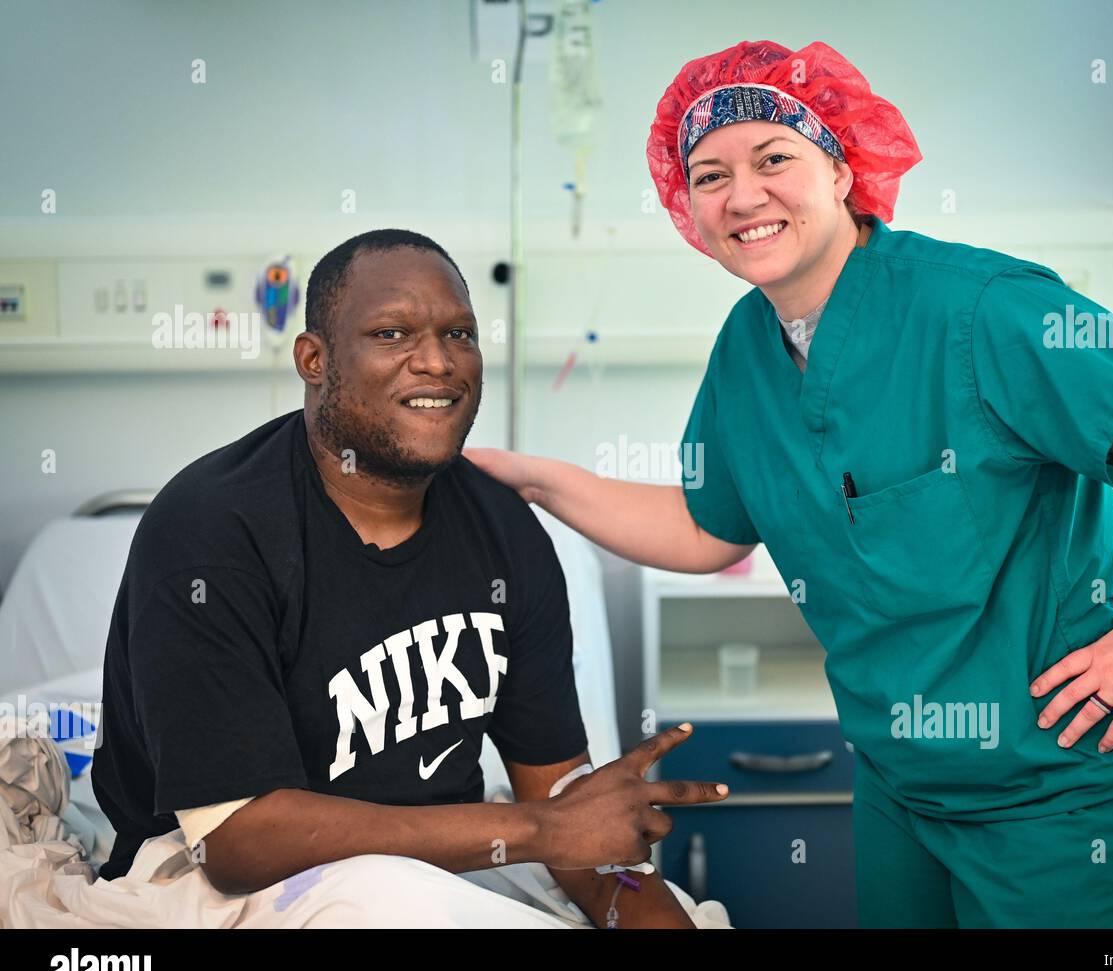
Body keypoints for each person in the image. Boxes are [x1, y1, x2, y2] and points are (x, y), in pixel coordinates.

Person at [464, 40, 1113, 928]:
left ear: (842, 168)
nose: (742, 196)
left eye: (774, 159)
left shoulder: (979, 307)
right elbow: (707, 527)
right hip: (905, 788)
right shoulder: (748, 346)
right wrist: (535, 479)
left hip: (1073, 793)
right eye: (709, 175)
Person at [91, 228, 729, 928]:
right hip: (205, 875)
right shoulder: (212, 531)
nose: (437, 362)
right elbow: (239, 841)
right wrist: (539, 830)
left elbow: (557, 798)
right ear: (314, 359)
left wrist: (627, 895)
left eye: (459, 333)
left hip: (437, 863)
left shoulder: (503, 531)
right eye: (393, 333)